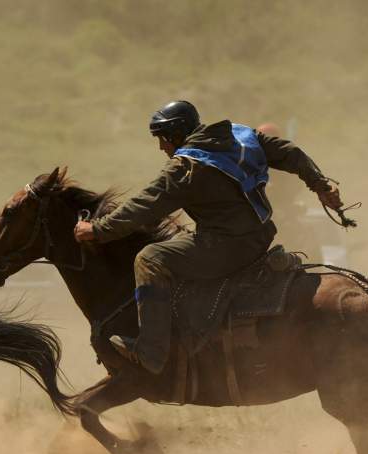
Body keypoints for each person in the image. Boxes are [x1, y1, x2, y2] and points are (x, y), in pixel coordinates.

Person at [73, 100, 342, 374]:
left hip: (225, 249)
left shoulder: (185, 168)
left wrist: (97, 229)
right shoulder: (240, 137)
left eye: (162, 139)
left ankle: (151, 351)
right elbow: (289, 152)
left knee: (149, 258)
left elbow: (144, 206)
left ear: (175, 135)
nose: (161, 147)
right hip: (260, 239)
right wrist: (320, 185)